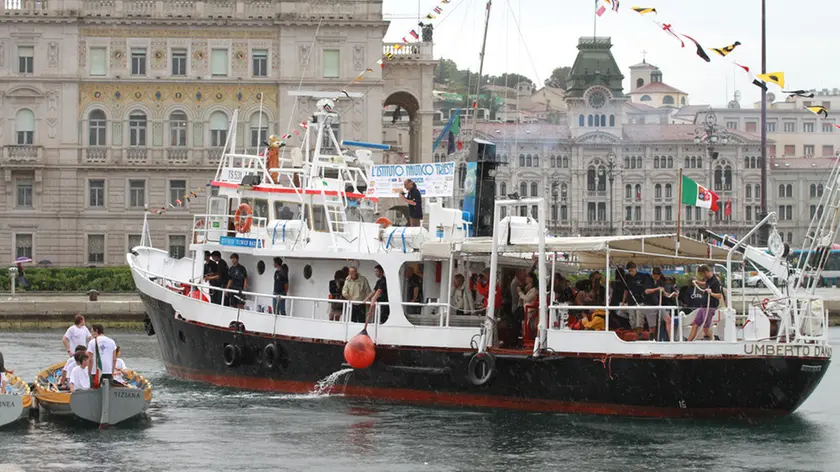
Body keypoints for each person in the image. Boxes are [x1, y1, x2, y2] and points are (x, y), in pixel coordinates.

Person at [688, 265, 724, 341]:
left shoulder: (715, 282)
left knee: (705, 328)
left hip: (710, 307)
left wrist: (711, 293)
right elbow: (706, 284)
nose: (702, 276)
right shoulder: (708, 280)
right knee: (695, 325)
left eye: (702, 274)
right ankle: (688, 343)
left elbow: (719, 296)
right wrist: (698, 282)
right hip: (703, 307)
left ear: (706, 272)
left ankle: (712, 340)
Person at [623, 262, 654, 333]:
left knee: (639, 320)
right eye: (629, 271)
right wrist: (623, 302)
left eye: (632, 270)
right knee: (632, 319)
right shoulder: (627, 278)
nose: (631, 273)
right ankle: (633, 333)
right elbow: (626, 291)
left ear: (635, 269)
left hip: (640, 301)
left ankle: (639, 334)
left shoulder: (642, 276)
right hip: (630, 302)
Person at [643, 267, 666, 339]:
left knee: (668, 319)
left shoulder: (660, 282)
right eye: (655, 276)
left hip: (658, 304)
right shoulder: (648, 280)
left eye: (658, 276)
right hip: (649, 304)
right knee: (652, 326)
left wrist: (672, 294)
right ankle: (652, 339)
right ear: (652, 275)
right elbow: (646, 291)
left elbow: (664, 293)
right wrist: (656, 289)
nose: (656, 278)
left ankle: (669, 339)